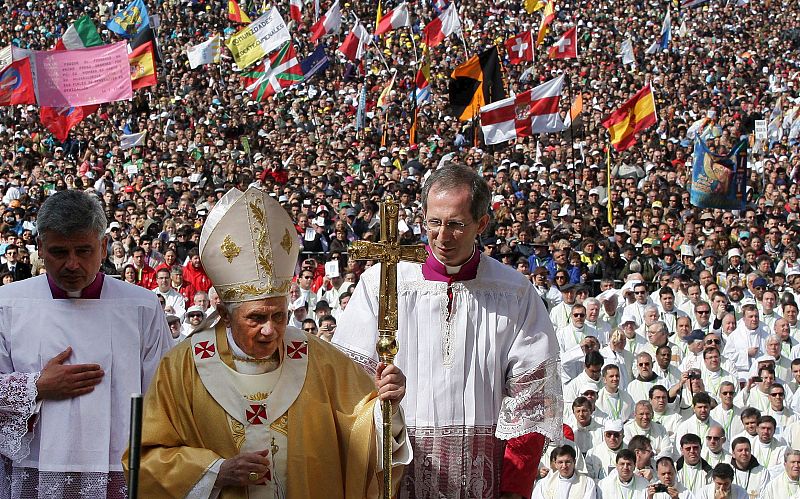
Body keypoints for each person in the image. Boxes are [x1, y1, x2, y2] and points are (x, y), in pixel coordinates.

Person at [131, 186, 411, 497]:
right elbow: (147, 459)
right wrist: (214, 472)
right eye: (256, 319)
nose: (270, 330)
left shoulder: (315, 355)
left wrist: (387, 406)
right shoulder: (182, 367)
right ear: (224, 313)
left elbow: (360, 423)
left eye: (278, 316)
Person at [334, 165, 561, 498]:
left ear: (481, 224)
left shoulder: (513, 293)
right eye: (434, 223)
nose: (442, 237)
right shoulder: (382, 283)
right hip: (398, 472)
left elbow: (532, 400)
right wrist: (383, 394)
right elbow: (346, 384)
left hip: (483, 482)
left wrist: (514, 488)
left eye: (456, 225)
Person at [0, 190, 172, 498]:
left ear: (104, 247)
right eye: (58, 252)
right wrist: (35, 386)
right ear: (40, 247)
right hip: (33, 465)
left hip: (119, 467)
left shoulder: (141, 307)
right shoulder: (7, 305)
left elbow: (164, 395)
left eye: (84, 250)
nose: (72, 264)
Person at [531, 445, 597, 499]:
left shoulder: (587, 483)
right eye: (560, 462)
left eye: (568, 462)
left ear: (574, 462)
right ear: (555, 464)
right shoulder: (544, 484)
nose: (564, 466)